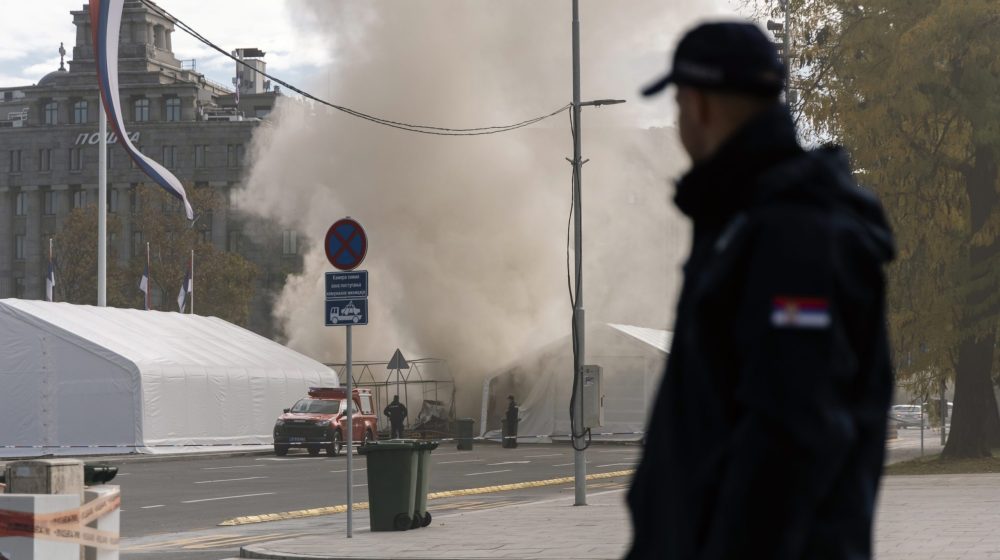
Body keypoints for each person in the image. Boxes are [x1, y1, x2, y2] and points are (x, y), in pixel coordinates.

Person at [627, 21, 895, 559]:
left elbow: (791, 431)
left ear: (699, 106)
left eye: (679, 104)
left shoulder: (794, 235)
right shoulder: (744, 220)